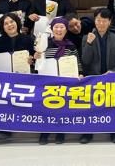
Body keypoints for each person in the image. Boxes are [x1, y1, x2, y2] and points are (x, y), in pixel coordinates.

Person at [0, 13, 35, 142]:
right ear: (2, 27)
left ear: (17, 23)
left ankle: (4, 130)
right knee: (0, 95)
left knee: (11, 94)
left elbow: (36, 61)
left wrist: (32, 61)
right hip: (3, 79)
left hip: (23, 79)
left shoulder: (28, 39)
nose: (9, 25)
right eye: (6, 23)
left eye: (11, 22)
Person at [34, 16, 82, 146]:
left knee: (62, 108)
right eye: (56, 27)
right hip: (48, 83)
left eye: (62, 27)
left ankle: (60, 132)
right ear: (51, 29)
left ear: (66, 30)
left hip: (65, 83)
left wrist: (80, 73)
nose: (59, 30)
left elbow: (77, 62)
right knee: (46, 108)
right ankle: (45, 132)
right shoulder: (44, 44)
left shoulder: (71, 46)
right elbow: (37, 64)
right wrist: (36, 56)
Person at [80, 8, 115, 144]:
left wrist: (113, 71)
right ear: (94, 21)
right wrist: (89, 43)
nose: (101, 23)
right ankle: (87, 133)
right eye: (98, 20)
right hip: (93, 79)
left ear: (110, 22)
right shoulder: (87, 38)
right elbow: (85, 61)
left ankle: (114, 133)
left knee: (112, 107)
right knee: (90, 108)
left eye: (104, 21)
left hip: (111, 79)